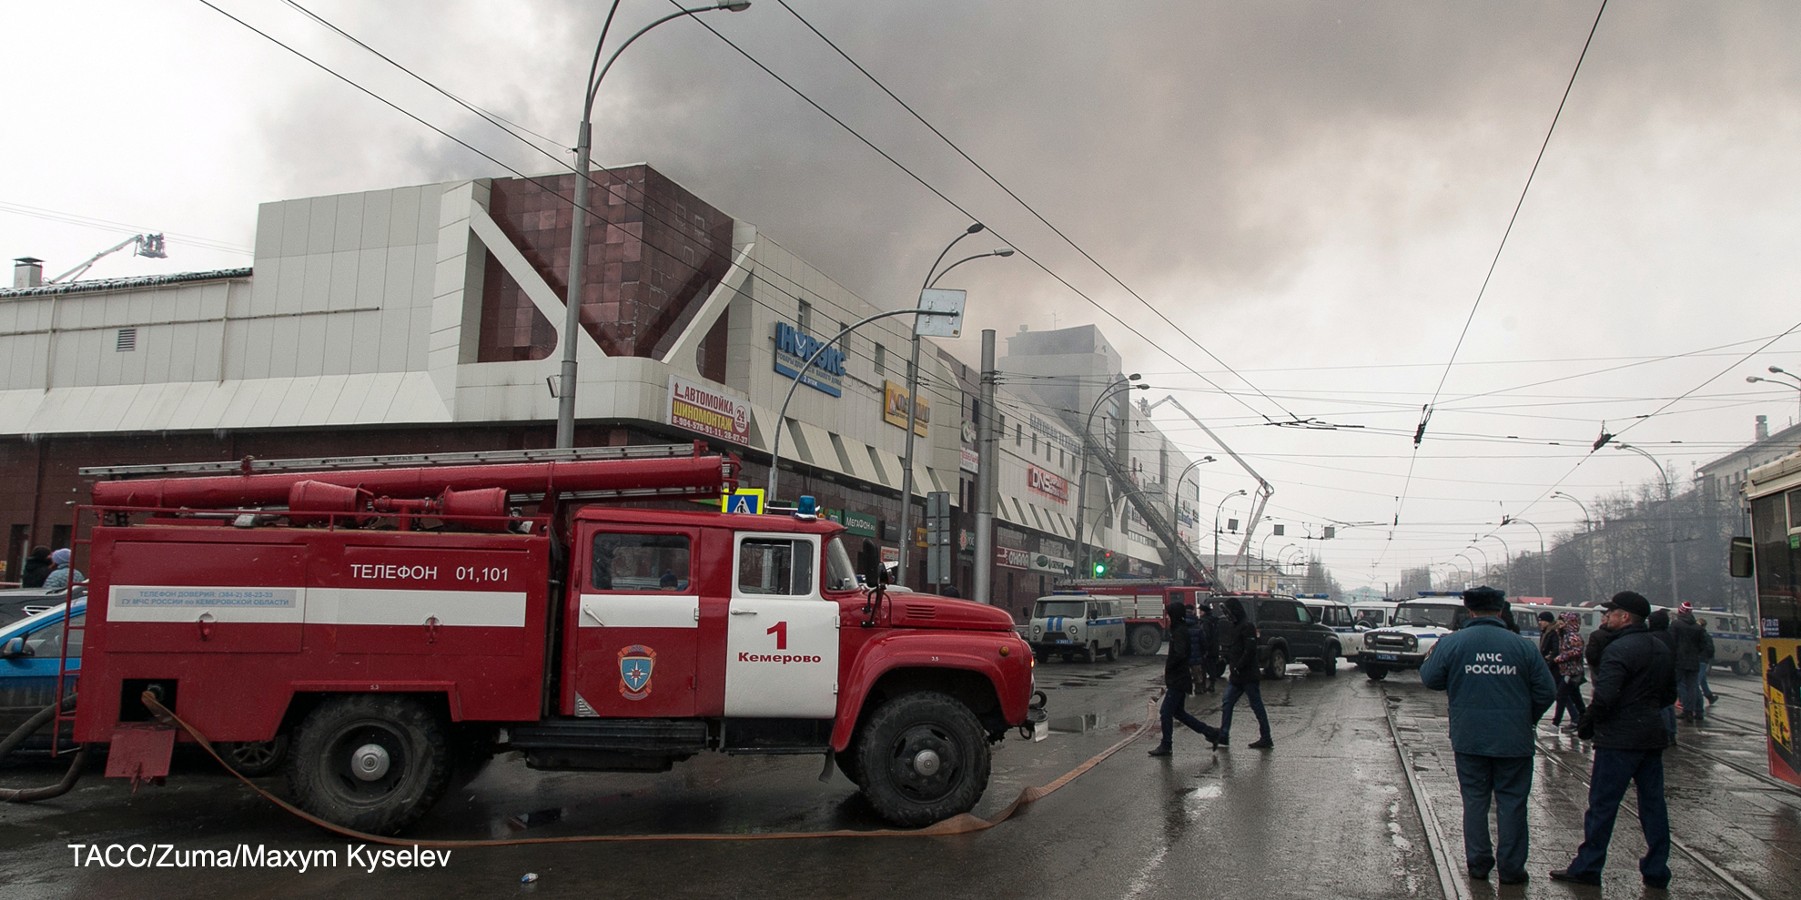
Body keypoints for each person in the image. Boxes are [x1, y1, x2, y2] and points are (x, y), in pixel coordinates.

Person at [1420, 586, 1556, 885]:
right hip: (1514, 740)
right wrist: (1526, 718)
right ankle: (1511, 868)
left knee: (1475, 800)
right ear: (1500, 610)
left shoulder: (1453, 643)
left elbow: (1430, 679)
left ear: (1469, 611)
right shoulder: (1523, 646)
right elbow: (1547, 690)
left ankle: (1479, 863)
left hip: (1470, 738)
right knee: (1513, 802)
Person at [1551, 591, 1676, 890]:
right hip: (1650, 736)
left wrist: (1588, 722)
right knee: (1653, 805)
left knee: (1603, 805)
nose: (1605, 618)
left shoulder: (1618, 650)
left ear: (1625, 617)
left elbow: (1605, 695)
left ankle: (1588, 866)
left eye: (1610, 613)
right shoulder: (1660, 647)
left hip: (1618, 739)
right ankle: (1657, 869)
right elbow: (1670, 695)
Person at [1148, 600, 1226, 756]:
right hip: (1179, 677)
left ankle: (1166, 745)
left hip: (1178, 678)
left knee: (1165, 712)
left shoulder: (1179, 632)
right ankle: (1210, 733)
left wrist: (1170, 667)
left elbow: (1180, 653)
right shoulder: (1179, 629)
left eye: (1169, 615)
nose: (1168, 618)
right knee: (1179, 713)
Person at [1217, 597, 1273, 749]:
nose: (1227, 616)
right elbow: (1236, 649)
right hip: (1237, 676)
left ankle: (1266, 737)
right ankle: (1223, 735)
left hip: (1247, 676)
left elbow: (1250, 650)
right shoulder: (1236, 626)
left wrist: (1238, 666)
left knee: (1256, 706)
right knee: (1227, 703)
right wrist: (1227, 659)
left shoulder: (1247, 626)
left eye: (1228, 612)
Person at [1671, 602, 1707, 723]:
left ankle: (1684, 710)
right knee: (1693, 687)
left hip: (1679, 660)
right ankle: (1692, 710)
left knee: (1679, 685)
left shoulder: (1676, 624)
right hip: (1693, 661)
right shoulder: (1698, 628)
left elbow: (1672, 641)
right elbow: (1703, 645)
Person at [1647, 609, 1679, 743]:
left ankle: (1665, 732)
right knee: (1668, 704)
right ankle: (1671, 731)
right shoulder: (1668, 635)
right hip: (1670, 670)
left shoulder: (1654, 637)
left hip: (1659, 672)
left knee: (1661, 705)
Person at [1553, 611, 1588, 732]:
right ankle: (1584, 720)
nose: (1558, 623)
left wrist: (1560, 658)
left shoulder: (1573, 636)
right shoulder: (1563, 635)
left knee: (1561, 695)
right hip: (1568, 671)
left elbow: (1577, 650)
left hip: (1572, 672)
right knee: (1576, 698)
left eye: (1561, 621)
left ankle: (1555, 723)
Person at [1537, 612, 1566, 726]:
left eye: (1542, 620)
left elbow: (1555, 650)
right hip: (1549, 665)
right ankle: (1576, 716)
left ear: (1548, 621)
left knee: (1557, 693)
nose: (1540, 622)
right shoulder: (1545, 632)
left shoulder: (1552, 633)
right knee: (1566, 695)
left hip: (1553, 667)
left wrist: (1550, 660)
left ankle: (1558, 721)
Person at [1191, 603, 1220, 694]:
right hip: (1215, 647)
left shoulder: (1205, 622)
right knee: (1212, 667)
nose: (1199, 612)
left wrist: (1204, 648)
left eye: (1201, 611)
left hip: (1208, 649)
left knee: (1204, 668)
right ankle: (1212, 684)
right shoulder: (1214, 620)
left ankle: (1203, 686)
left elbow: (1205, 636)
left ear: (1204, 612)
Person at [1695, 617, 1719, 705]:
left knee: (1696, 682)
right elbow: (1711, 649)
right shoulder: (1706, 636)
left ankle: (1697, 702)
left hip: (1700, 660)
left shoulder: (1700, 635)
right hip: (1702, 660)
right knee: (1702, 680)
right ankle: (1709, 696)